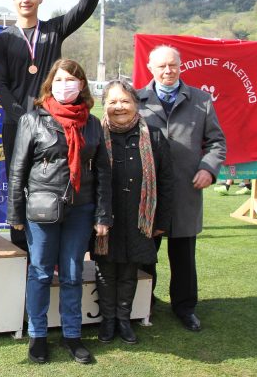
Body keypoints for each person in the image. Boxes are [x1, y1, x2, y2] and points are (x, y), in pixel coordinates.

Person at [0, 0, 110, 251]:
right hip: (17, 124)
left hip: (54, 124)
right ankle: (21, 248)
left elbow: (83, 9)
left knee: (55, 180)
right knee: (17, 182)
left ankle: (54, 245)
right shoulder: (2, 40)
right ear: (13, 0)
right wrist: (21, 116)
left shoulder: (53, 30)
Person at [7, 59, 111, 365]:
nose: (65, 85)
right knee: (39, 271)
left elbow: (103, 171)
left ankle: (71, 335)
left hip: (81, 209)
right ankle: (38, 335)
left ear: (81, 86)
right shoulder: (32, 119)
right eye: (59, 79)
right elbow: (18, 170)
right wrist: (15, 214)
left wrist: (103, 215)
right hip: (41, 209)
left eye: (71, 80)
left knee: (72, 274)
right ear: (50, 84)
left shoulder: (92, 123)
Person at [137, 45, 226, 332]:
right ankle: (143, 304)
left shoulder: (201, 100)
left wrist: (208, 168)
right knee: (146, 253)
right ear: (151, 68)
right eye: (161, 66)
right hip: (149, 194)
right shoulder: (137, 100)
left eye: (172, 65)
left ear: (180, 66)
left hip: (187, 191)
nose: (167, 71)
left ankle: (185, 307)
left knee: (184, 256)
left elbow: (216, 142)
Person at [93, 80, 173, 345]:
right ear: (104, 104)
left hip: (140, 217)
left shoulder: (154, 135)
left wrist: (161, 220)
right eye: (113, 101)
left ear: (135, 103)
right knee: (106, 270)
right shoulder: (94, 133)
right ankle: (107, 321)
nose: (119, 107)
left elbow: (166, 181)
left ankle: (124, 321)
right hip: (105, 216)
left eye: (125, 101)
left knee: (129, 270)